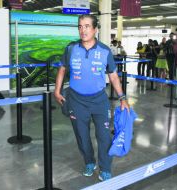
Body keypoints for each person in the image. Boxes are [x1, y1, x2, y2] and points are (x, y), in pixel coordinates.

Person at [54, 14, 130, 181]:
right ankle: (89, 162)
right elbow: (62, 69)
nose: (83, 30)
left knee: (104, 136)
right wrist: (57, 91)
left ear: (95, 29)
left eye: (87, 26)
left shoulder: (104, 51)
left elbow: (114, 76)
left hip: (99, 101)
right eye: (80, 26)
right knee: (82, 135)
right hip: (76, 100)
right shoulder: (71, 48)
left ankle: (105, 168)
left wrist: (123, 97)